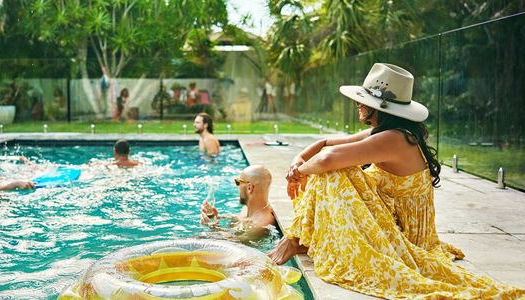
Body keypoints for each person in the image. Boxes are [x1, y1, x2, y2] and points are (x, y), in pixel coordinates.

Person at [266, 63, 525, 299]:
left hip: (404, 234)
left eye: (362, 101)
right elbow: (324, 143)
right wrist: (297, 161)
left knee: (334, 172)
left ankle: (295, 239)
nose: (358, 105)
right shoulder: (386, 133)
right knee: (332, 167)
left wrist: (300, 173)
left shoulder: (393, 139)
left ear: (378, 107)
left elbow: (327, 159)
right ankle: (298, 238)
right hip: (389, 218)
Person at [200, 165, 275, 241]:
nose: (237, 186)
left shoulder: (260, 225)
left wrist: (212, 228)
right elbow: (240, 219)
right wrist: (217, 216)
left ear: (249, 188)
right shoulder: (247, 209)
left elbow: (235, 243)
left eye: (238, 182)